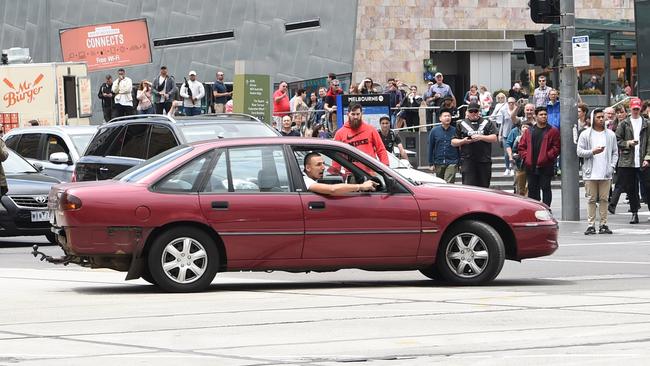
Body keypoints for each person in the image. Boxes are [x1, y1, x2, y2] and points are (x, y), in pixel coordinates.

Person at [577, 108, 618, 235]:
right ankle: (591, 225)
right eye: (598, 117)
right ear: (593, 118)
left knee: (604, 199)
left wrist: (612, 166)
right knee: (591, 199)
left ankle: (604, 224)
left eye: (602, 117)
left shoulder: (610, 134)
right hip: (590, 173)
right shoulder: (585, 134)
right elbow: (579, 151)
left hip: (605, 173)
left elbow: (615, 152)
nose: (601, 119)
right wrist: (592, 152)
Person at [609, 98, 648, 223]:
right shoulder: (624, 123)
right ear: (630, 109)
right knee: (631, 189)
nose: (636, 111)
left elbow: (649, 143)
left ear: (640, 108)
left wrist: (647, 158)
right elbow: (617, 140)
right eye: (634, 108)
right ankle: (634, 212)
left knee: (647, 187)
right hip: (628, 161)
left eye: (637, 108)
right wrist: (628, 143)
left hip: (643, 160)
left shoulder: (646, 123)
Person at [518, 106, 561, 206]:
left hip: (546, 165)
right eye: (541, 115)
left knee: (546, 188)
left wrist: (547, 156)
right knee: (532, 190)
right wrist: (526, 156)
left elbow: (557, 147)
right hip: (530, 165)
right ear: (535, 116)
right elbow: (521, 146)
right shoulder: (529, 131)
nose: (544, 116)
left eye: (545, 114)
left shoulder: (553, 131)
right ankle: (535, 210)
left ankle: (546, 209)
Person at [451, 102, 498, 187]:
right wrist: (463, 141)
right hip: (468, 161)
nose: (473, 113)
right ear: (467, 112)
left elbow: (494, 138)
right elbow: (453, 142)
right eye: (471, 111)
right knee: (469, 187)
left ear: (479, 112)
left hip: (484, 160)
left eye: (475, 111)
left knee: (484, 187)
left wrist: (481, 137)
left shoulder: (487, 122)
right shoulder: (461, 123)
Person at [302, 152, 378, 195]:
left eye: (323, 164)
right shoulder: (305, 181)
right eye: (318, 164)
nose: (323, 167)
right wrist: (361, 186)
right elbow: (332, 189)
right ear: (308, 168)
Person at [428, 109, 459, 183]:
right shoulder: (434, 131)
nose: (447, 118)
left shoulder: (455, 130)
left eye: (449, 116)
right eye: (445, 116)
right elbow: (430, 147)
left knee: (448, 183)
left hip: (452, 161)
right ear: (440, 118)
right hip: (439, 162)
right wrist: (430, 163)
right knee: (440, 183)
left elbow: (459, 147)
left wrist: (460, 163)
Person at [506, 120, 532, 196]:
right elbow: (514, 149)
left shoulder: (532, 137)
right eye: (523, 127)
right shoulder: (518, 138)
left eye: (527, 127)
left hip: (530, 163)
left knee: (529, 185)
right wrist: (514, 156)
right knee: (520, 183)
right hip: (520, 164)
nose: (525, 129)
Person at [498, 97, 517, 176]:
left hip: (514, 134)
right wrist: (500, 134)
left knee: (513, 152)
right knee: (506, 153)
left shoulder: (516, 110)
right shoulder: (503, 111)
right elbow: (502, 123)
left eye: (512, 102)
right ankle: (507, 168)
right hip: (505, 134)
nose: (511, 104)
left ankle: (513, 168)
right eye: (509, 102)